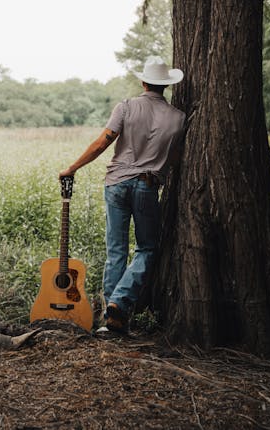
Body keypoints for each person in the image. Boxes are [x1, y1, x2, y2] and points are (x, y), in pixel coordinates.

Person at [59, 55, 186, 335]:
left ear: (143, 82)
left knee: (115, 251)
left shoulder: (126, 106)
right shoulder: (179, 118)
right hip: (147, 186)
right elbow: (175, 157)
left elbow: (103, 142)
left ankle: (110, 316)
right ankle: (120, 303)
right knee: (146, 249)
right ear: (165, 85)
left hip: (116, 183)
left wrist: (73, 167)